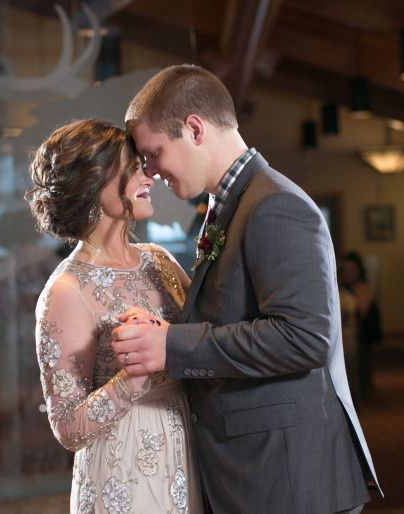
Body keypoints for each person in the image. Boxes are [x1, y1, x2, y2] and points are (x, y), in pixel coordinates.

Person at [111, 64, 381, 513]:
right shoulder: (231, 202)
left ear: (195, 129)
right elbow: (234, 316)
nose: (151, 171)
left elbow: (304, 338)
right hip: (262, 469)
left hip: (289, 479)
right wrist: (168, 330)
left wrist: (172, 346)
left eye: (154, 153)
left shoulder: (274, 205)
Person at [25, 119, 202, 513]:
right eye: (134, 167)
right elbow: (68, 428)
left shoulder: (160, 261)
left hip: (189, 449)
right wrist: (137, 374)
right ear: (92, 183)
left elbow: (201, 340)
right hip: (125, 469)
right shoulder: (66, 292)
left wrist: (166, 339)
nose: (149, 176)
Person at [340, 252, 383, 398]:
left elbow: (363, 314)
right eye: (346, 270)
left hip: (357, 336)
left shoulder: (362, 289)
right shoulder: (340, 289)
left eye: (352, 270)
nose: (348, 273)